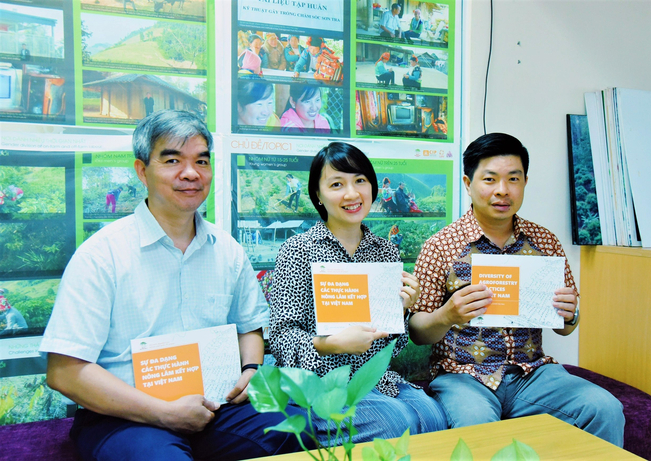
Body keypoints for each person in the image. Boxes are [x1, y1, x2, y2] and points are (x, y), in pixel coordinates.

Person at [39, 110, 309, 461]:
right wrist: (163, 412)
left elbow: (250, 327)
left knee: (296, 426)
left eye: (201, 160)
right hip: (123, 417)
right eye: (172, 160)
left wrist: (252, 369)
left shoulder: (227, 250)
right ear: (142, 171)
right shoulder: (101, 255)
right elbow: (64, 373)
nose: (191, 173)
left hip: (217, 405)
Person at [408, 133, 625, 446]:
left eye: (513, 178)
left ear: (525, 182)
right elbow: (417, 330)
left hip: (533, 374)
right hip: (463, 375)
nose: (502, 190)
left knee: (604, 408)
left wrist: (571, 313)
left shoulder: (544, 242)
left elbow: (566, 326)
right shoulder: (441, 246)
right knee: (476, 424)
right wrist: (447, 315)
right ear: (468, 184)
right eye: (490, 179)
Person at [269, 142, 447, 445]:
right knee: (396, 424)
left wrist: (402, 310)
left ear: (373, 187)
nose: (352, 194)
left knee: (434, 417)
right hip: (320, 385)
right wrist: (331, 344)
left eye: (360, 181)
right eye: (337, 184)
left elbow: (396, 344)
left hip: (377, 380)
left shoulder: (386, 252)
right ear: (318, 195)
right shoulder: (298, 250)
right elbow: (281, 339)